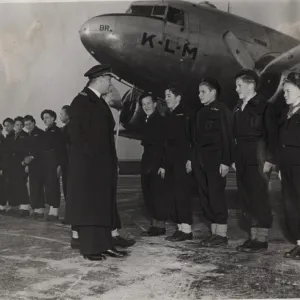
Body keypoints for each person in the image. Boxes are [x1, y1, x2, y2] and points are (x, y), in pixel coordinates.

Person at [66, 64, 132, 261]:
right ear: (101, 79)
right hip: (90, 167)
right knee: (91, 207)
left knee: (103, 206)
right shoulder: (82, 101)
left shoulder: (98, 101)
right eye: (109, 80)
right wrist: (92, 162)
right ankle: (90, 249)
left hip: (102, 165)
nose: (111, 85)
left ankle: (105, 245)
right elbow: (75, 136)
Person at [233, 69, 277, 253]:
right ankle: (252, 237)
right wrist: (234, 159)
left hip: (258, 156)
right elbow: (235, 136)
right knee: (246, 197)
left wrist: (269, 160)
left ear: (251, 85)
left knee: (259, 197)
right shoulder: (238, 108)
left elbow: (273, 136)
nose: (236, 89)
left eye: (239, 85)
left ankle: (261, 239)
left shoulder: (266, 107)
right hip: (242, 157)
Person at [192, 77, 235, 247]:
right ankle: (214, 232)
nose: (199, 95)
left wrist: (225, 161)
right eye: (199, 92)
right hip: (201, 161)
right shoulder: (200, 113)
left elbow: (228, 138)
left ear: (213, 92)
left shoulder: (222, 110)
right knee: (205, 196)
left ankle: (222, 234)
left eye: (203, 92)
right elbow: (196, 140)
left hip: (216, 161)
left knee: (216, 196)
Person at [159, 83, 193, 242]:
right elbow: (166, 143)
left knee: (182, 194)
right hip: (171, 161)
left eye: (169, 96)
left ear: (178, 98)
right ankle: (179, 228)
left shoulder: (186, 114)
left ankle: (187, 230)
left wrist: (190, 159)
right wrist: (164, 165)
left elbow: (191, 139)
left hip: (182, 161)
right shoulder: (169, 115)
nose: (166, 99)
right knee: (172, 195)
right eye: (165, 96)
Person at [277, 72, 300, 260]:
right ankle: (299, 243)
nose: (284, 95)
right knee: (290, 206)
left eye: (287, 91)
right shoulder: (287, 113)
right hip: (287, 167)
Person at [139, 93, 167, 236]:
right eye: (143, 104)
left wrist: (162, 165)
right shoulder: (147, 120)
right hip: (148, 161)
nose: (146, 107)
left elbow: (164, 145)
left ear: (155, 104)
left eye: (148, 103)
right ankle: (155, 225)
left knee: (157, 194)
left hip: (156, 162)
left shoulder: (160, 121)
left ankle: (159, 226)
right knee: (149, 193)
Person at [41, 109, 65, 221]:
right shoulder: (47, 131)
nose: (45, 120)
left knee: (54, 186)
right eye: (44, 118)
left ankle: (54, 211)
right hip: (47, 162)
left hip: (54, 161)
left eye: (47, 117)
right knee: (49, 186)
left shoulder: (58, 131)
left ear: (53, 118)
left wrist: (59, 165)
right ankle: (51, 210)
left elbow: (60, 149)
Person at [5, 117, 30, 217]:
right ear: (14, 125)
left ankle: (25, 208)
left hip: (21, 164)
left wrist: (26, 163)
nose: (19, 127)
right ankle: (14, 206)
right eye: (17, 125)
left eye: (21, 125)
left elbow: (28, 150)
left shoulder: (26, 136)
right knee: (12, 184)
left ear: (23, 125)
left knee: (21, 185)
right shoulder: (11, 136)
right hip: (12, 165)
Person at [23, 115, 46, 219]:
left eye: (29, 124)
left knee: (38, 187)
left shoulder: (40, 133)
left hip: (40, 164)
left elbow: (42, 149)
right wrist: (27, 163)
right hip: (32, 165)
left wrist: (32, 157)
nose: (28, 126)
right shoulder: (28, 135)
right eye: (26, 124)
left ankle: (40, 211)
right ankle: (36, 210)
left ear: (34, 122)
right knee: (33, 187)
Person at [59, 105, 71, 200]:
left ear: (68, 116)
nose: (60, 116)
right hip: (69, 161)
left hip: (68, 161)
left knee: (68, 184)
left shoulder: (67, 129)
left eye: (61, 114)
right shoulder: (65, 129)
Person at [0, 125, 6, 214]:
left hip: (2, 168)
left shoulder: (4, 141)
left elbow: (5, 156)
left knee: (2, 187)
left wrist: (1, 168)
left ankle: (2, 206)